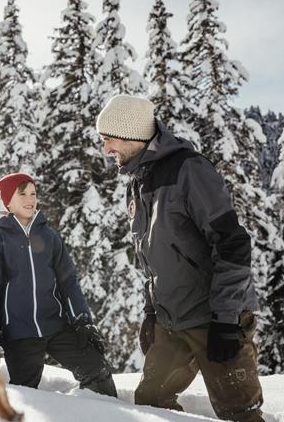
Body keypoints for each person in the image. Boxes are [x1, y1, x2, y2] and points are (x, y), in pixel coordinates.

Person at [96, 94, 264, 421]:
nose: (105, 149)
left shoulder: (189, 170)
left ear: (132, 135)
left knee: (239, 412)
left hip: (215, 317)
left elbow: (232, 244)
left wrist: (226, 321)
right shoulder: (138, 183)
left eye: (109, 139)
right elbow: (151, 257)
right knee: (150, 402)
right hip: (171, 319)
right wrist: (150, 312)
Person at [0, 173, 117, 397]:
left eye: (33, 193)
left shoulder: (50, 237)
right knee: (26, 393)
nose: (30, 199)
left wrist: (82, 320)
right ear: (8, 202)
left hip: (57, 325)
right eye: (22, 194)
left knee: (97, 370)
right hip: (20, 332)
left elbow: (68, 282)